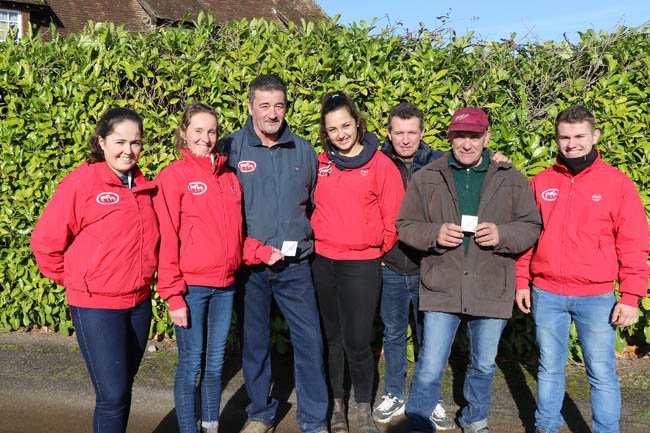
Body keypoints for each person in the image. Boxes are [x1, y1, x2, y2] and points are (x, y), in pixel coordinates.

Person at [396, 107, 542, 433]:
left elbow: (531, 225)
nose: (467, 143)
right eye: (460, 136)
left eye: (474, 136)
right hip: (442, 283)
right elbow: (405, 225)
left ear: (486, 137)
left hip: (490, 284)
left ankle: (475, 419)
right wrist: (434, 234)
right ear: (450, 138)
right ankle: (418, 422)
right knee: (430, 363)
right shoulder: (427, 177)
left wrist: (502, 235)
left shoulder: (511, 178)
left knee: (484, 364)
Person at [515, 105, 650, 433]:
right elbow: (527, 236)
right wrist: (521, 280)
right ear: (557, 139)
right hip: (547, 293)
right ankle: (546, 427)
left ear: (595, 136)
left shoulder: (617, 184)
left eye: (579, 136)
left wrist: (631, 296)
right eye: (565, 137)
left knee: (601, 372)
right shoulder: (541, 182)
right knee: (549, 369)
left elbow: (633, 243)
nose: (572, 144)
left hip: (596, 297)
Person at [30, 107, 159, 433]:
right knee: (112, 395)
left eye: (135, 142)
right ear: (101, 141)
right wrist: (79, 280)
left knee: (122, 387)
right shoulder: (81, 183)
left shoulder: (142, 186)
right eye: (120, 142)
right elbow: (45, 242)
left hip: (138, 303)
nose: (128, 150)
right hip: (96, 306)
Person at [220, 74, 329, 433]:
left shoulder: (303, 150)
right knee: (254, 344)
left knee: (310, 340)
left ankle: (314, 419)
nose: (272, 113)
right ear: (250, 107)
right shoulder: (230, 148)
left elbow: (314, 204)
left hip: (295, 266)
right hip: (250, 268)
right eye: (264, 105)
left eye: (279, 105)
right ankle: (260, 414)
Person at [310, 91, 404, 433]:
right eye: (332, 129)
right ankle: (338, 405)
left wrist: (375, 249)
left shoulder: (380, 165)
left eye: (345, 125)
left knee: (358, 341)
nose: (341, 134)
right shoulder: (320, 163)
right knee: (332, 339)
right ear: (325, 132)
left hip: (361, 264)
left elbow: (394, 218)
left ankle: (363, 406)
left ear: (358, 123)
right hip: (323, 262)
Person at [153, 103, 244, 433]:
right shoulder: (173, 177)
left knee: (216, 364)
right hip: (191, 288)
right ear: (184, 133)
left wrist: (262, 251)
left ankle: (211, 425)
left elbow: (238, 233)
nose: (205, 138)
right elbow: (166, 238)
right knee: (191, 366)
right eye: (198, 131)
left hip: (225, 287)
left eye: (212, 131)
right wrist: (173, 295)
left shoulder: (229, 177)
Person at [372, 102, 451, 428]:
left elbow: (477, 165)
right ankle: (393, 393)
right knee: (392, 334)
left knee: (428, 337)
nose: (405, 140)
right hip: (390, 265)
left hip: (428, 267)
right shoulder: (377, 161)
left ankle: (429, 396)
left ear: (422, 132)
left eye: (412, 133)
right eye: (399, 133)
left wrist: (498, 159)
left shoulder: (440, 163)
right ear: (389, 133)